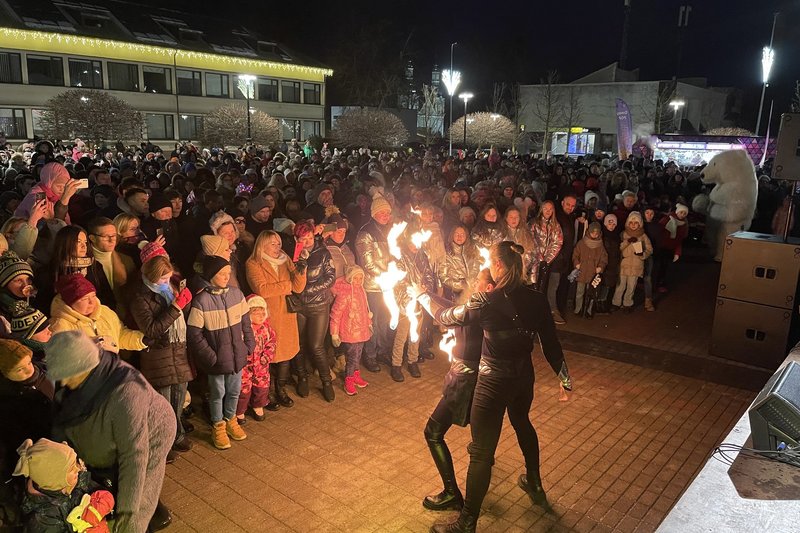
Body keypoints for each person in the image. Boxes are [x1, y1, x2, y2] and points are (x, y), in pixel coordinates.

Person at [413, 241, 572, 533]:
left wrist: (423, 295)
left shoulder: (486, 300)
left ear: (498, 265)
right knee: (523, 423)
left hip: (493, 383)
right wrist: (564, 377)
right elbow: (550, 342)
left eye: (490, 261)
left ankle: (467, 521)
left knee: (482, 453)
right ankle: (534, 482)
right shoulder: (536, 298)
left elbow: (446, 318)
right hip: (523, 378)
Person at [47, 330, 174, 533]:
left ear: (86, 366)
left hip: (152, 433)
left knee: (139, 496)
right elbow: (64, 421)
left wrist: (127, 515)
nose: (63, 382)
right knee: (113, 483)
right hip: (117, 437)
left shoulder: (126, 393)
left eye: (67, 375)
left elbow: (134, 457)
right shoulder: (79, 377)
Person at [416, 269, 495, 512]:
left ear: (489, 287)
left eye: (479, 280)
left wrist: (422, 297)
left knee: (433, 431)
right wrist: (427, 292)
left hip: (464, 382)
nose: (475, 283)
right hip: (487, 381)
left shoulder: (478, 309)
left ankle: (452, 493)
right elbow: (452, 306)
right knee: (482, 440)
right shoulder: (499, 304)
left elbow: (445, 315)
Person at [128, 247, 195, 454]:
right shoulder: (140, 297)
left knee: (178, 396)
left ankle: (177, 434)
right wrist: (175, 307)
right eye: (163, 279)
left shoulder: (168, 289)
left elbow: (179, 316)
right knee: (162, 402)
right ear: (151, 276)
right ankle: (162, 441)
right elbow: (151, 329)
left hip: (178, 348)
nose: (166, 282)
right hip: (158, 352)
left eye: (168, 278)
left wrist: (184, 302)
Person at [187, 256, 255, 450]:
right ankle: (218, 426)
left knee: (234, 391)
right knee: (218, 393)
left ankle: (231, 419)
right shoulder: (202, 301)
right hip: (217, 360)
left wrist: (248, 345)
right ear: (211, 276)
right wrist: (210, 357)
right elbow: (194, 334)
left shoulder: (237, 295)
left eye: (228, 273)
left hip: (236, 357)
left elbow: (246, 324)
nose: (227, 277)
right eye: (221, 274)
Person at [246, 230, 307, 410]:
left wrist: (302, 272)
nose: (277, 247)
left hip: (286, 314)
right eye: (273, 243)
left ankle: (280, 389)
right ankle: (266, 392)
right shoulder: (253, 263)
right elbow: (262, 289)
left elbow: (297, 287)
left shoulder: (285, 259)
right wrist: (286, 286)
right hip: (267, 315)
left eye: (279, 243)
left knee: (285, 352)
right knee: (267, 354)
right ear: (262, 245)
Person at [13, 438, 114, 533]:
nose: (78, 469)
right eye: (71, 468)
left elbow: (102, 494)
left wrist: (99, 508)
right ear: (56, 481)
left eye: (75, 463)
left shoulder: (75, 480)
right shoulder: (43, 519)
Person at [291, 221, 336, 401]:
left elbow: (330, 278)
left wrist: (307, 290)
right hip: (300, 307)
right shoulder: (293, 255)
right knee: (299, 344)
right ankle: (302, 377)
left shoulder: (323, 252)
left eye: (310, 237)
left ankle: (326, 381)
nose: (308, 241)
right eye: (303, 239)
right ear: (297, 239)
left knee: (316, 346)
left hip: (318, 305)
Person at [50, 274, 147, 352]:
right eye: (84, 299)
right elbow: (63, 360)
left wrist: (142, 340)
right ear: (70, 302)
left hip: (110, 370)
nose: (91, 302)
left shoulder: (104, 312)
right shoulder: (60, 326)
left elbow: (120, 336)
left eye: (93, 296)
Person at [355, 194, 394, 372]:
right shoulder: (366, 233)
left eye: (388, 212)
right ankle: (370, 355)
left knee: (385, 319)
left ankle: (382, 351)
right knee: (373, 321)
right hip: (373, 286)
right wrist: (389, 275)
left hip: (388, 285)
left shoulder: (390, 231)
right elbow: (368, 263)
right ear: (374, 213)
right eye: (382, 212)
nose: (386, 216)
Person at [329, 265, 372, 396]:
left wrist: (369, 323)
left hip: (362, 330)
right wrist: (334, 333)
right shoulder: (345, 294)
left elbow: (365, 311)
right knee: (353, 356)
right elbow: (336, 313)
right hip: (350, 331)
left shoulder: (361, 291)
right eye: (355, 278)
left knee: (358, 354)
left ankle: (355, 375)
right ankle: (348, 379)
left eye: (360, 278)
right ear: (350, 278)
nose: (358, 281)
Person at [235, 295, 276, 424]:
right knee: (243, 389)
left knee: (261, 387)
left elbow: (272, 343)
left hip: (261, 366)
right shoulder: (243, 330)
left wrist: (267, 356)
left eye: (262, 312)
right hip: (245, 366)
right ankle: (240, 410)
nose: (260, 315)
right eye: (255, 312)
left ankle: (258, 405)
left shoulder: (267, 329)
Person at [612, 211, 653, 313]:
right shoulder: (623, 234)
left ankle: (627, 304)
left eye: (636, 223)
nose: (633, 225)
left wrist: (642, 254)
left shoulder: (643, 236)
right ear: (628, 223)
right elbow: (618, 248)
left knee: (631, 286)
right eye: (631, 223)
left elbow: (649, 249)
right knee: (620, 285)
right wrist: (627, 242)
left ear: (640, 224)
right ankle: (616, 303)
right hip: (624, 265)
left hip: (636, 266)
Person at [439, 225, 483, 305]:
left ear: (466, 236)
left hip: (474, 290)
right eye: (456, 234)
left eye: (462, 234)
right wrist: (459, 284)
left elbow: (477, 267)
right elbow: (443, 276)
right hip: (457, 293)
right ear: (452, 235)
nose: (459, 237)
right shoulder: (446, 253)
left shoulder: (472, 250)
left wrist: (472, 280)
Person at [572, 222, 608, 318]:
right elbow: (575, 254)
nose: (594, 235)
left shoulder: (600, 245)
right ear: (589, 232)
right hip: (582, 272)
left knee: (591, 293)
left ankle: (588, 310)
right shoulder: (582, 243)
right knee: (580, 292)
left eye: (597, 233)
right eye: (593, 232)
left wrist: (600, 267)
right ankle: (578, 309)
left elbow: (604, 259)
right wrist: (577, 264)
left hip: (593, 274)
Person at [655, 203, 689, 295]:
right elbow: (658, 231)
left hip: (670, 247)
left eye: (685, 213)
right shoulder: (667, 219)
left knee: (664, 266)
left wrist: (677, 252)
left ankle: (660, 283)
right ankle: (657, 283)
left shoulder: (683, 224)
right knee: (660, 265)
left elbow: (680, 239)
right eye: (681, 212)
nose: (683, 215)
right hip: (661, 246)